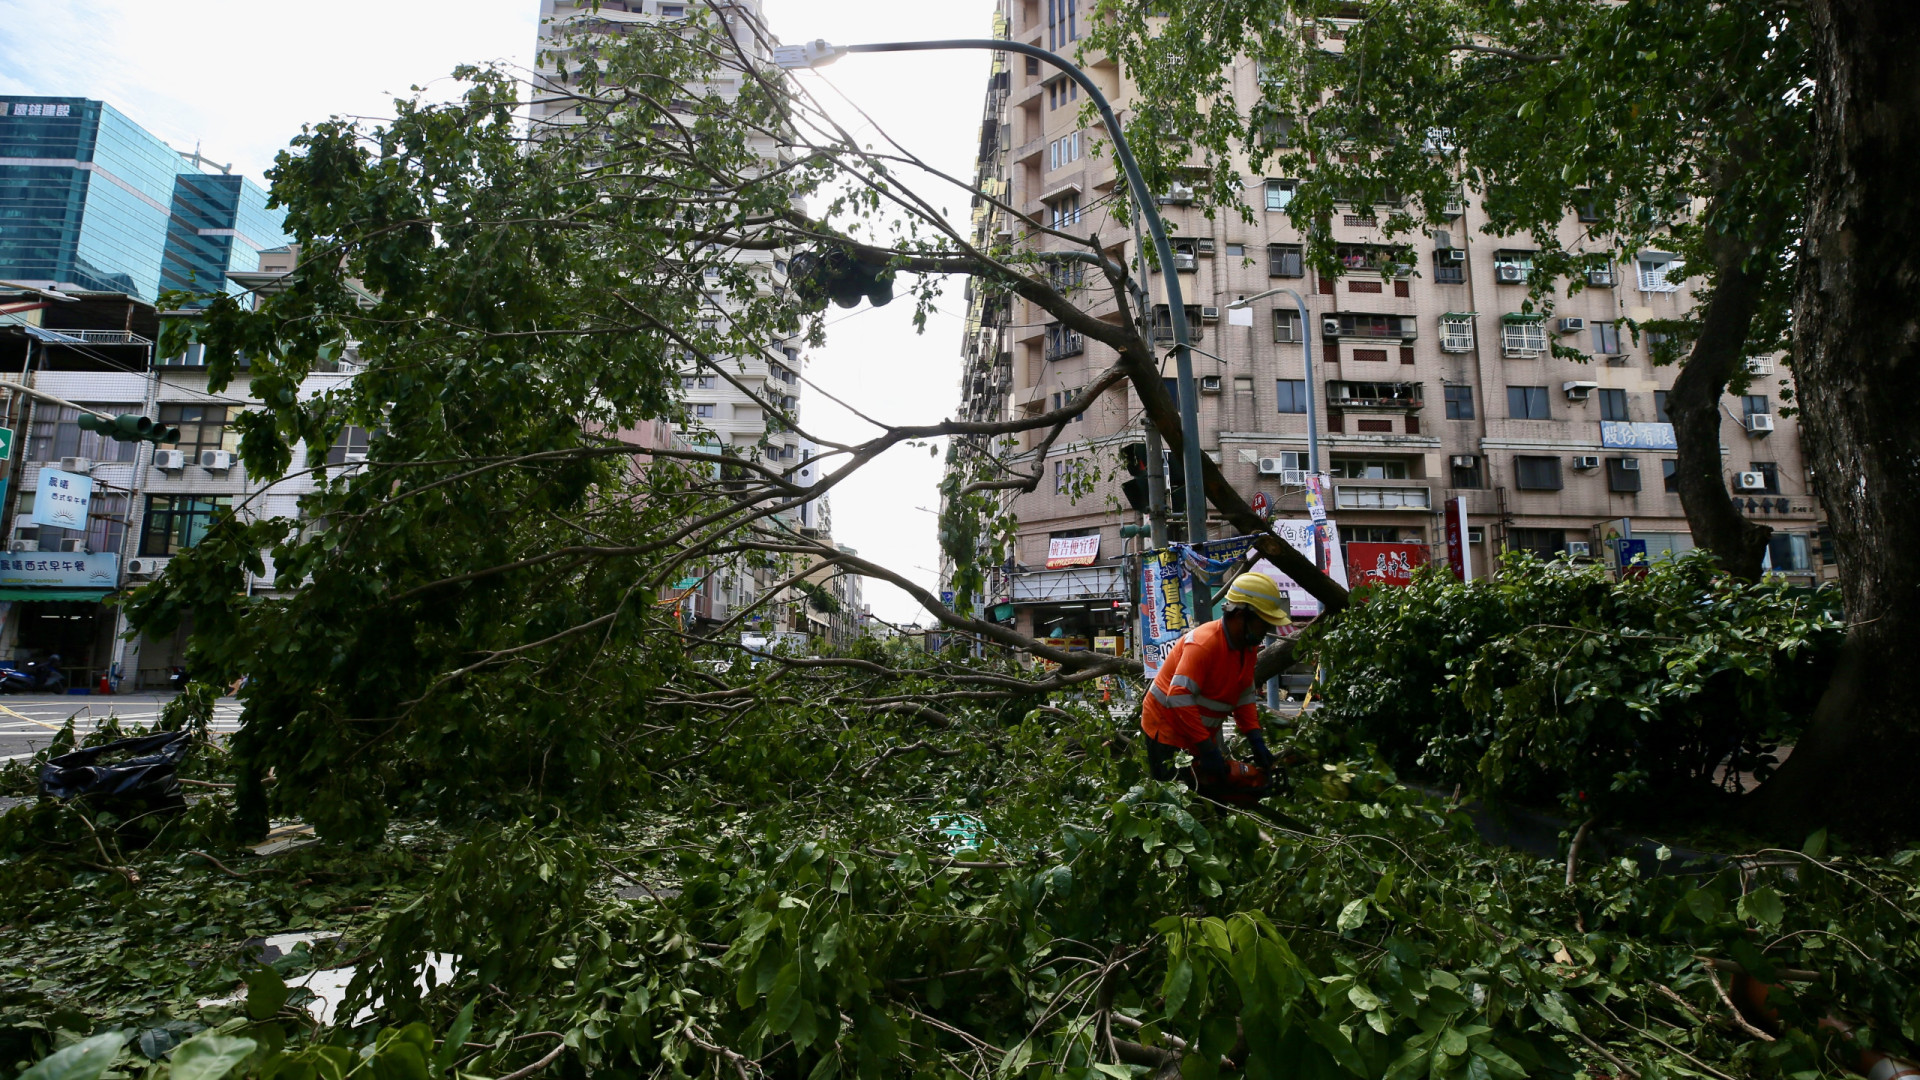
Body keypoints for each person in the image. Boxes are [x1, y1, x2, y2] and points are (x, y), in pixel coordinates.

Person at [1141, 573, 1290, 798]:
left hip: (1197, 734)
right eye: (1264, 622)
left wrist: (1255, 738)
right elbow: (1178, 696)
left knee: (1210, 797)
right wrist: (1207, 748)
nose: (1266, 630)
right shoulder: (1204, 644)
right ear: (1241, 614)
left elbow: (1244, 696)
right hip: (1167, 731)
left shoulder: (1246, 649)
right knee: (1175, 803)